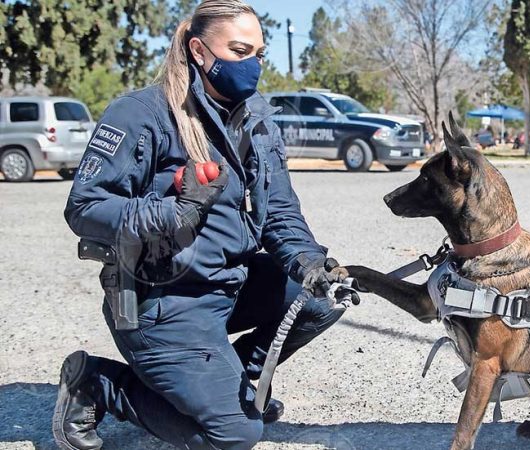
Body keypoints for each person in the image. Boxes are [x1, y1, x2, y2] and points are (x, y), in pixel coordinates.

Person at [52, 1, 348, 449]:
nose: (252, 65)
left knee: (318, 300)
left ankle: (240, 389)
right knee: (231, 436)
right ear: (198, 49)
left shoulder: (258, 117)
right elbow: (84, 207)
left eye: (259, 54)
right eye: (239, 50)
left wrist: (309, 262)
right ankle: (96, 383)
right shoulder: (142, 113)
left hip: (228, 285)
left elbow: (281, 211)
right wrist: (173, 213)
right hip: (162, 302)